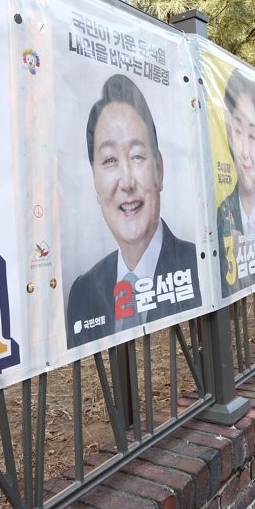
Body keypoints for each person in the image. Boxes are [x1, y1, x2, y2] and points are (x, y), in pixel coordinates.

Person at [66, 74, 201, 347]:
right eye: (110, 160)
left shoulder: (200, 268)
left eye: (137, 156)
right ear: (95, 180)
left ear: (159, 170)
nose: (126, 182)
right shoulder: (83, 292)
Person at [216, 70, 255, 296]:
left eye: (252, 136)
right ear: (229, 137)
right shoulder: (222, 212)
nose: (245, 153)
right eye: (238, 132)